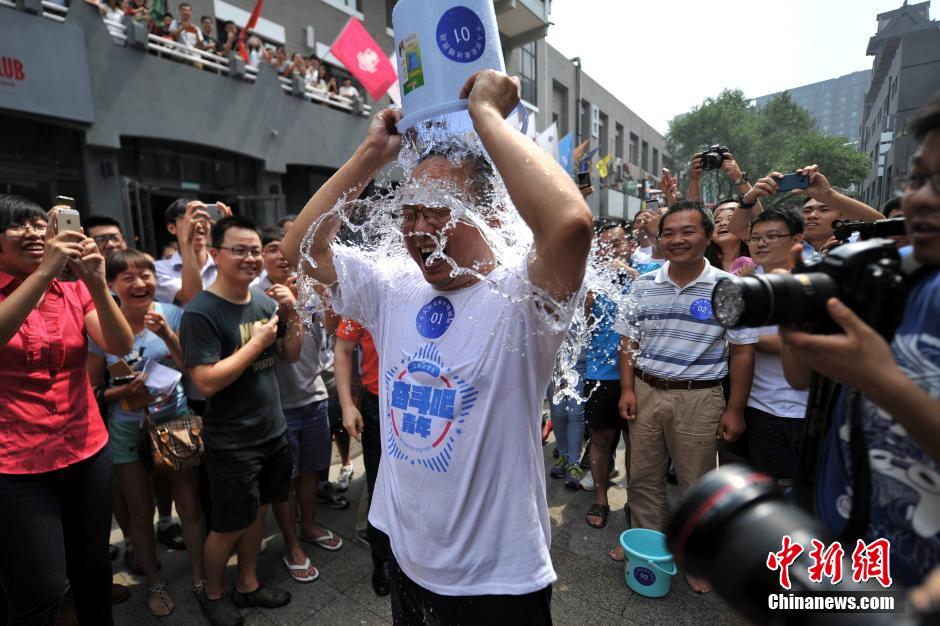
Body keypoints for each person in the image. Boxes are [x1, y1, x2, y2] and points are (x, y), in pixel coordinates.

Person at [281, 69, 593, 621]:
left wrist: (487, 116)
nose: (417, 228)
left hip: (496, 580)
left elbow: (569, 224)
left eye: (437, 209)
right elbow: (301, 248)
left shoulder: (524, 297)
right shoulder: (395, 284)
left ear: (489, 214)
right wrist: (370, 155)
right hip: (405, 553)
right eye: (409, 212)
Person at [780, 92, 940, 586]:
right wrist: (793, 322)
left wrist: (883, 382)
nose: (920, 198)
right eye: (917, 179)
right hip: (836, 547)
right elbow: (800, 377)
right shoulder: (896, 282)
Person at [0, 196, 134, 625]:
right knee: (40, 589)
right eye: (19, 226)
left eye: (42, 225)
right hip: (17, 466)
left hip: (86, 449)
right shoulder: (36, 279)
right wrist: (43, 273)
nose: (35, 234)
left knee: (93, 569)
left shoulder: (74, 288)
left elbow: (119, 345)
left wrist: (94, 280)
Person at [615, 200, 758, 593]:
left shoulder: (727, 288)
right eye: (669, 233)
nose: (677, 240)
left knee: (697, 483)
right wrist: (627, 388)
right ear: (659, 239)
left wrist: (735, 409)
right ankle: (647, 546)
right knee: (642, 477)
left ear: (709, 235)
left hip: (700, 398)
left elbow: (742, 350)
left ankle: (696, 558)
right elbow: (628, 340)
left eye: (688, 231)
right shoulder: (643, 284)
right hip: (645, 391)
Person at [181, 216, 300, 626]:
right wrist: (258, 343)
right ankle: (212, 593)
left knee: (259, 513)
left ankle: (247, 585)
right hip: (232, 442)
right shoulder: (201, 312)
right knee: (229, 525)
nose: (251, 258)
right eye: (240, 250)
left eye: (255, 250)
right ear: (215, 255)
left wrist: (292, 311)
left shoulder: (265, 302)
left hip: (273, 431)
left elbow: (291, 354)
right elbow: (205, 381)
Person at [87, 249, 205, 617]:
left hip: (176, 420)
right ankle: (154, 582)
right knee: (141, 513)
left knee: (189, 505)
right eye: (129, 278)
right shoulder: (100, 325)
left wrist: (169, 335)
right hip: (126, 429)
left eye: (147, 274)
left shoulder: (173, 313)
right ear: (111, 286)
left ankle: (201, 578)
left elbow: (193, 370)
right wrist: (122, 392)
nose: (141, 283)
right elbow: (94, 389)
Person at [258, 227, 341, 586]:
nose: (281, 256)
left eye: (286, 250)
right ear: (262, 257)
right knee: (284, 480)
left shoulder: (309, 287)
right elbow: (286, 357)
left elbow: (335, 330)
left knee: (309, 471)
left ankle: (307, 526)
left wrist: (330, 295)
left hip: (315, 397)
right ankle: (291, 543)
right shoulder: (258, 297)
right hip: (280, 405)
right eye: (272, 250)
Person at [742, 207, 809, 483]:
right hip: (757, 407)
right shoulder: (747, 284)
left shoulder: (811, 283)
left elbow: (806, 345)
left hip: (799, 410)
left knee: (796, 495)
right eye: (755, 237)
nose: (761, 243)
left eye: (772, 235)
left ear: (797, 240)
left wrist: (743, 341)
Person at [584, 223, 636, 527]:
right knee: (600, 437)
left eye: (616, 244)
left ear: (628, 245)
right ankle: (601, 498)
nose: (611, 252)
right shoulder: (593, 279)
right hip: (599, 371)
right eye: (604, 246)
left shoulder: (642, 272)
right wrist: (588, 305)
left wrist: (628, 271)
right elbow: (582, 325)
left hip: (638, 373)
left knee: (636, 443)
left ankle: (634, 502)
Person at [335, 316, 391, 595]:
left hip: (425, 401)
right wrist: (347, 405)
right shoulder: (369, 286)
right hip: (377, 403)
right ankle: (382, 561)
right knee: (379, 484)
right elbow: (343, 348)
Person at [733, 165, 883, 256]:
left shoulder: (858, 242)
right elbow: (736, 228)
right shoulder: (785, 244)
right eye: (806, 211)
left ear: (843, 216)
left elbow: (887, 226)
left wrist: (828, 195)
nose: (812, 216)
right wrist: (750, 196)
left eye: (824, 209)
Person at [155, 198, 228, 305]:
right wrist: (186, 242)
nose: (198, 225)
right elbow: (193, 296)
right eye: (191, 219)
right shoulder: (159, 269)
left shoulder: (224, 262)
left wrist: (230, 233)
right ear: (172, 228)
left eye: (203, 218)